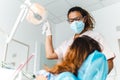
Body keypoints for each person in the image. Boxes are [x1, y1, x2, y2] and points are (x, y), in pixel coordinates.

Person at [44, 6, 115, 73]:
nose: (74, 23)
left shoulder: (95, 36)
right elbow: (50, 55)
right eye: (71, 20)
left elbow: (109, 60)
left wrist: (97, 77)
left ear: (84, 19)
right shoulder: (67, 43)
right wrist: (48, 34)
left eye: (77, 19)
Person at [36, 35, 108, 80]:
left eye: (71, 46)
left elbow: (49, 55)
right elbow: (49, 55)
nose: (68, 48)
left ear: (74, 53)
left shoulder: (66, 77)